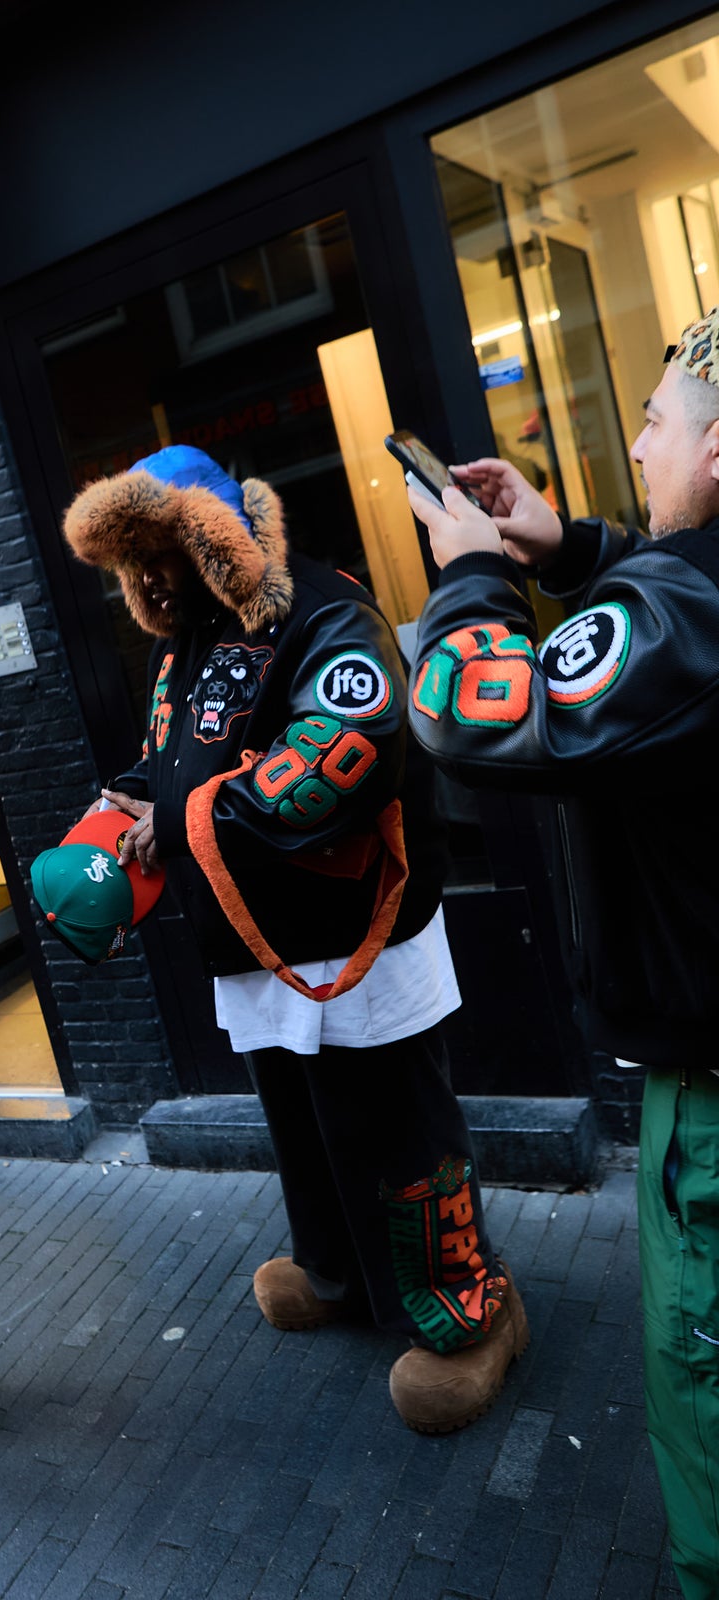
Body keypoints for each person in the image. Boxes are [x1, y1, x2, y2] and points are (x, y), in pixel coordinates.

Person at [63, 445, 528, 1433]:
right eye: (129, 562)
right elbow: (174, 758)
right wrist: (128, 803)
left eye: (156, 552)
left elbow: (343, 754)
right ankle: (337, 1272)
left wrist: (181, 819)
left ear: (210, 538)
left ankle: (471, 1312)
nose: (144, 579)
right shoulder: (183, 642)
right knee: (305, 1131)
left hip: (356, 940)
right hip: (255, 943)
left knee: (400, 1131)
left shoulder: (326, 613)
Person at [404, 309, 719, 1598]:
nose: (633, 446)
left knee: (702, 1391)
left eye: (652, 422)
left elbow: (471, 711)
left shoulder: (682, 605)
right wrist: (573, 548)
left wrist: (473, 575)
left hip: (710, 1100)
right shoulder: (682, 598)